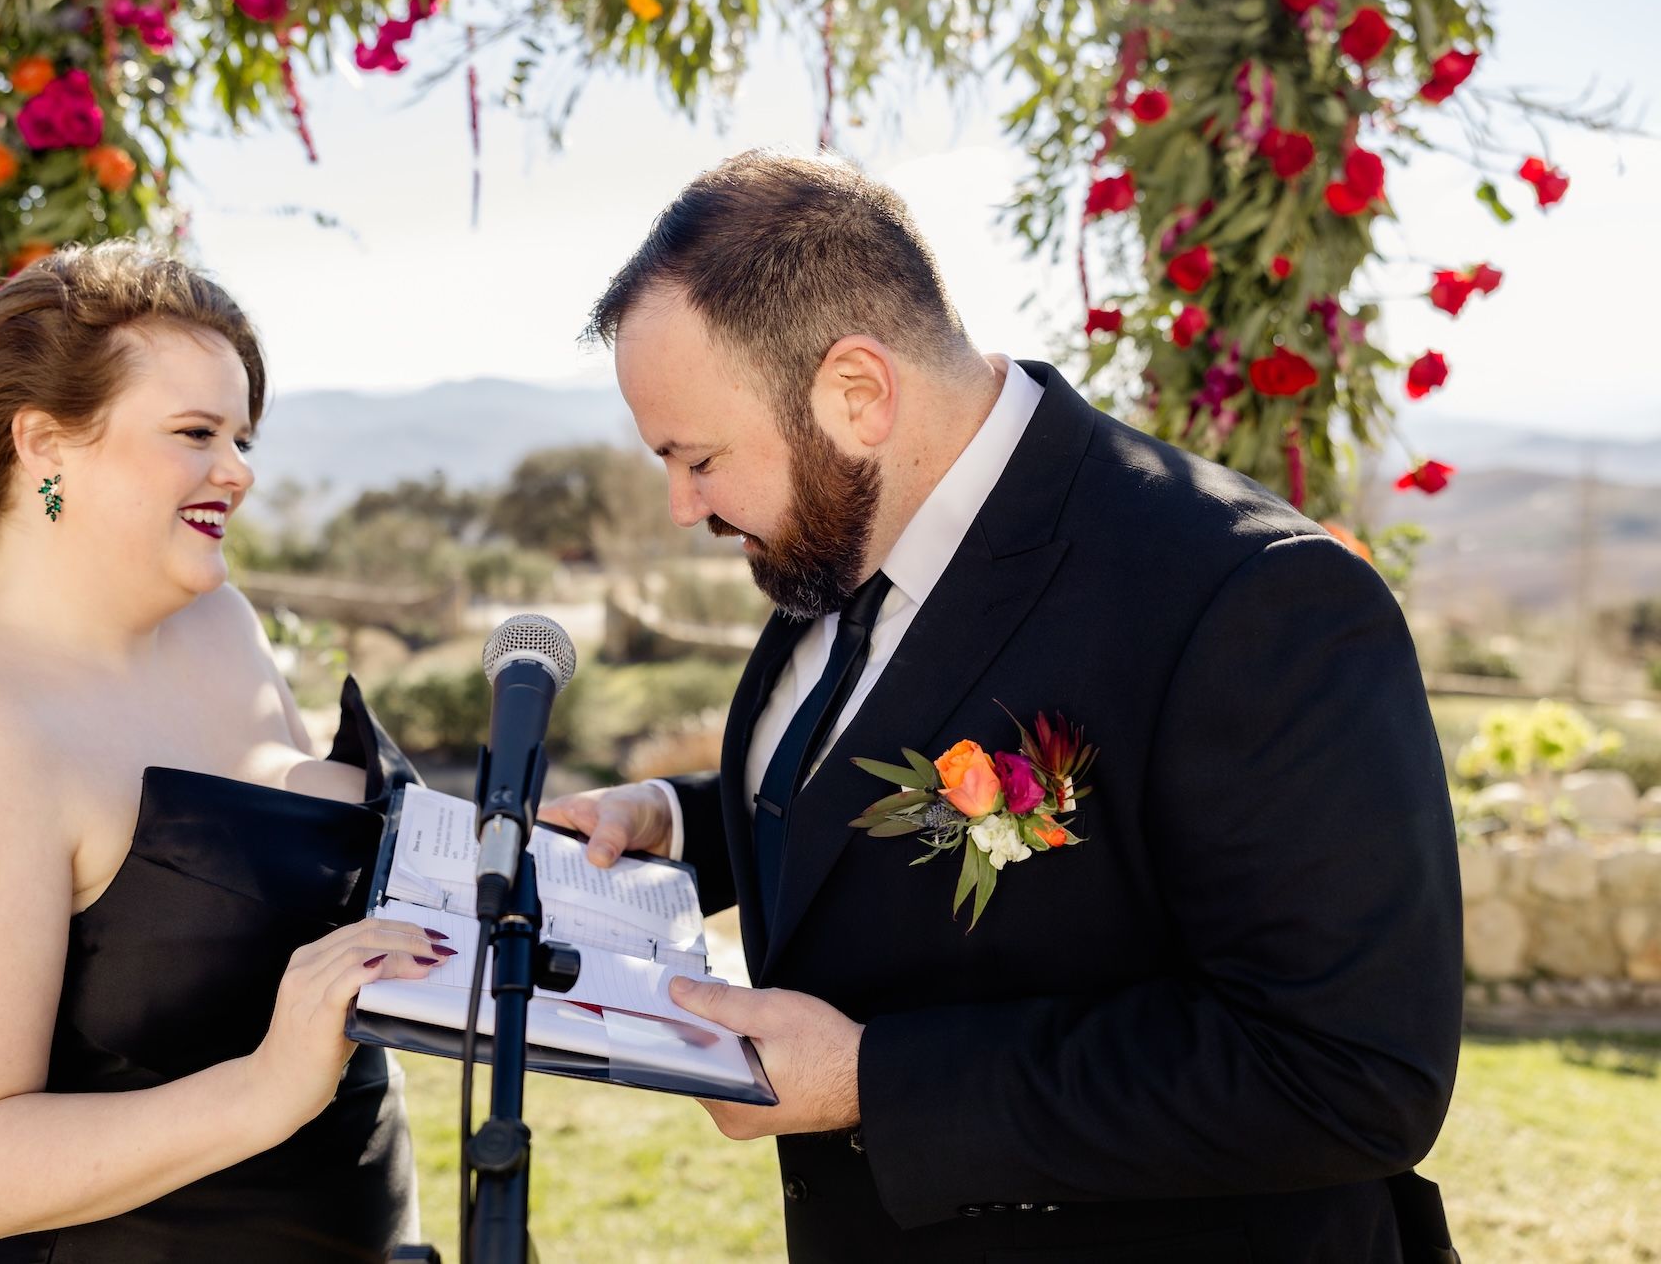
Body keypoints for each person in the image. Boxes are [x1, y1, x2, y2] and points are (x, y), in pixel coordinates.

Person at [542, 150, 1463, 1262]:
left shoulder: (1250, 598)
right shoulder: (839, 531)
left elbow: (1345, 1071)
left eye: (696, 457)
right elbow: (874, 764)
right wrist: (682, 820)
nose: (682, 504)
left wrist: (868, 1082)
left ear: (856, 394)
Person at [0, 244, 447, 1261]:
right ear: (44, 444)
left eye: (240, 436)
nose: (237, 470)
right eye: (195, 432)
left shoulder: (218, 624)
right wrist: (259, 1091)